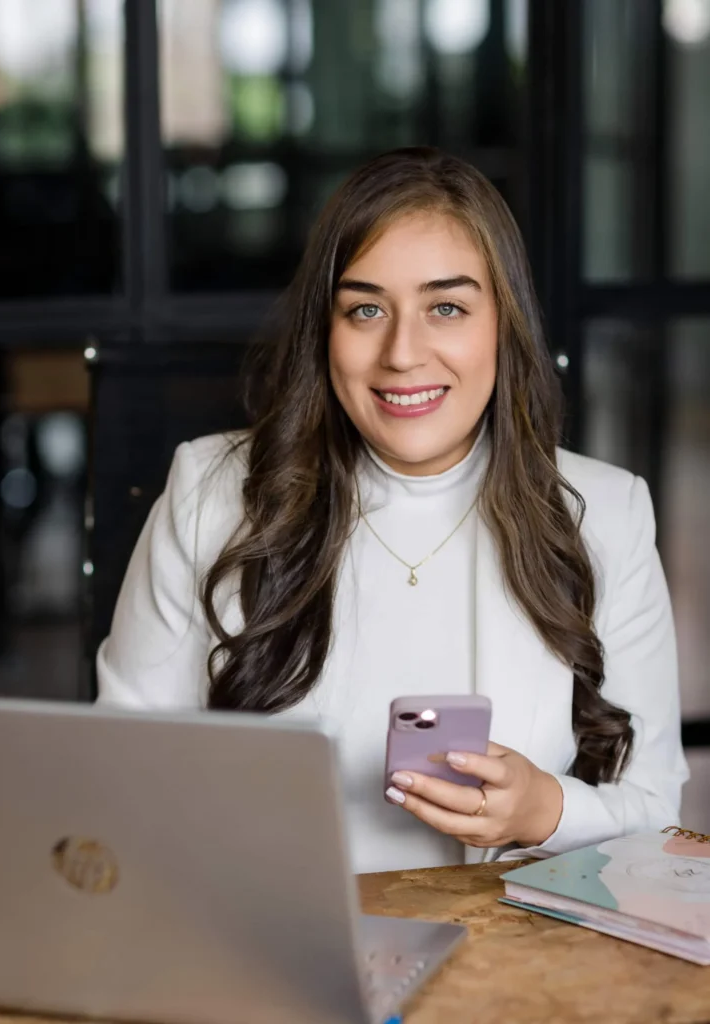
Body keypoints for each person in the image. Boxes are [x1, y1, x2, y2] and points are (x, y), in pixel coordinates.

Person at [96, 147, 688, 873]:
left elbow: (655, 806)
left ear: (502, 325)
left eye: (446, 307)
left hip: (506, 957)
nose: (402, 353)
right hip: (267, 943)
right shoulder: (209, 491)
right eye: (365, 309)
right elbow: (120, 773)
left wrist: (546, 810)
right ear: (326, 331)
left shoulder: (608, 511)